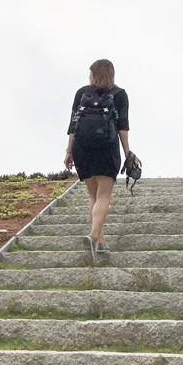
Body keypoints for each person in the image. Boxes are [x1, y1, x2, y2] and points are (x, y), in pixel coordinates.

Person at [64, 59, 134, 265]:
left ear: (94, 74)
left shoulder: (81, 93)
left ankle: (101, 243)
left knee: (92, 196)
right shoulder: (120, 94)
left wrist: (69, 151)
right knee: (104, 196)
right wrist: (128, 152)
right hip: (106, 148)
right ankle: (94, 236)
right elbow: (123, 127)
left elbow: (73, 125)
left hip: (82, 149)